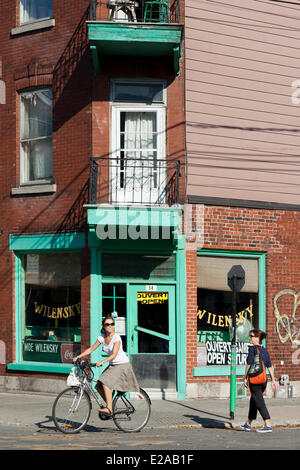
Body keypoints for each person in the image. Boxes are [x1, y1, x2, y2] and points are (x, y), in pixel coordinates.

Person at [73, 315, 139, 416]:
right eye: (107, 324)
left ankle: (109, 409)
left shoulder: (117, 338)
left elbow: (114, 355)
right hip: (113, 365)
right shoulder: (102, 337)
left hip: (121, 365)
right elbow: (91, 349)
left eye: (112, 324)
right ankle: (111, 405)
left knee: (105, 382)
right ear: (103, 326)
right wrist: (78, 356)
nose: (110, 326)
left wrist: (102, 362)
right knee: (98, 386)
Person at [241, 329, 276, 433]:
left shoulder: (252, 349)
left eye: (251, 336)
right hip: (263, 379)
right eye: (250, 336)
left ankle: (268, 424)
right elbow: (269, 366)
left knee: (259, 401)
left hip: (255, 379)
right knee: (254, 400)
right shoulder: (264, 350)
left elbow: (249, 363)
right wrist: (273, 380)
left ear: (258, 338)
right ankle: (248, 423)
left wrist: (245, 377)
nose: (250, 338)